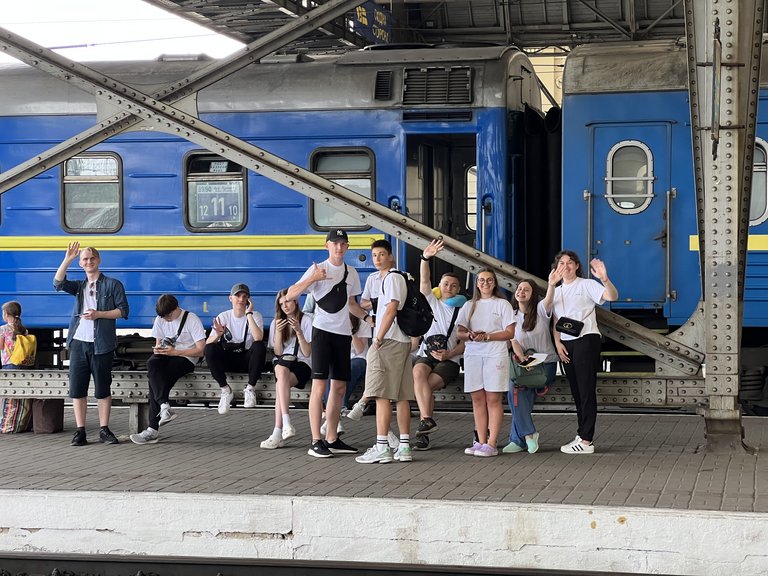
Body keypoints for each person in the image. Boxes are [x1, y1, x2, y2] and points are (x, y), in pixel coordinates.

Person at [286, 229, 373, 458]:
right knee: (319, 387)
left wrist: (367, 318)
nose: (339, 247)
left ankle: (332, 438)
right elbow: (290, 296)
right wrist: (312, 279)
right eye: (335, 243)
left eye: (343, 244)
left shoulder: (351, 272)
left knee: (339, 387)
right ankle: (315, 440)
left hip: (343, 334)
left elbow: (352, 304)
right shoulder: (317, 269)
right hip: (322, 333)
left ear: (347, 247)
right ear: (327, 246)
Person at [54, 242, 129, 446]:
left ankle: (104, 429)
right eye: (85, 259)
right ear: (81, 263)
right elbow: (58, 283)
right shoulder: (79, 286)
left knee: (103, 389)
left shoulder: (113, 285)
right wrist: (68, 259)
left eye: (92, 258)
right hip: (79, 342)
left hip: (102, 343)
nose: (89, 262)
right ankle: (80, 431)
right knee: (77, 390)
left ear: (99, 260)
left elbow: (123, 311)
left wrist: (99, 315)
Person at [355, 239, 415, 464]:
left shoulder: (391, 278)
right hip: (400, 341)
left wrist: (378, 337)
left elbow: (390, 309)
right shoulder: (398, 278)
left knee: (381, 394)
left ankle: (382, 446)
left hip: (388, 341)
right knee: (401, 397)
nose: (378, 259)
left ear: (391, 256)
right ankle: (405, 447)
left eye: (382, 254)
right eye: (374, 255)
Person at [552, 251, 618, 454]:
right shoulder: (556, 291)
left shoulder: (586, 284)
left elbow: (612, 297)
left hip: (586, 339)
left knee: (586, 390)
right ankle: (581, 434)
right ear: (556, 268)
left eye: (570, 263)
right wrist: (558, 343)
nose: (566, 266)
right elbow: (556, 321)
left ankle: (587, 439)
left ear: (577, 266)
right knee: (577, 392)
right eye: (562, 263)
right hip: (567, 343)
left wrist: (604, 279)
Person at [411, 239, 465, 451]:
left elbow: (465, 343)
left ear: (459, 289)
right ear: (439, 287)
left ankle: (424, 430)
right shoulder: (431, 301)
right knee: (418, 373)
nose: (449, 288)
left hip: (449, 359)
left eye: (453, 285)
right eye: (445, 284)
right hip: (427, 355)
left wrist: (450, 353)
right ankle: (426, 422)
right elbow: (424, 280)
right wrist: (425, 258)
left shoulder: (464, 309)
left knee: (426, 386)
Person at [130, 294, 206, 445]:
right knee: (152, 364)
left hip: (186, 358)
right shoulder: (161, 319)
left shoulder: (192, 319)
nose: (166, 319)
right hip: (168, 355)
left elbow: (201, 351)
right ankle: (164, 406)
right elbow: (158, 344)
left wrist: (175, 352)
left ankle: (153, 429)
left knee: (155, 382)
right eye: (163, 317)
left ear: (176, 308)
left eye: (168, 316)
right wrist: (159, 349)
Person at [456, 269, 515, 457]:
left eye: (489, 280)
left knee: (493, 398)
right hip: (474, 354)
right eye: (481, 280)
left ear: (495, 283)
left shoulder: (502, 304)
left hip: (495, 354)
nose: (485, 283)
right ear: (477, 283)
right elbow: (460, 331)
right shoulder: (469, 305)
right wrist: (470, 335)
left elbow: (510, 332)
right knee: (477, 399)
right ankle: (480, 441)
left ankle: (492, 442)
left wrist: (487, 336)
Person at [502, 275, 559, 454]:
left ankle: (518, 439)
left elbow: (549, 298)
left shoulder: (542, 309)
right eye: (519, 289)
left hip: (545, 365)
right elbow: (513, 342)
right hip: (524, 364)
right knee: (515, 388)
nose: (521, 292)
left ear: (533, 294)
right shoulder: (511, 315)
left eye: (526, 290)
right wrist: (523, 361)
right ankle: (527, 435)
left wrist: (551, 284)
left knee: (519, 388)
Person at [260, 289, 313, 449]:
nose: (285, 306)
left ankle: (279, 430)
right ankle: (285, 425)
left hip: (302, 363)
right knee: (281, 371)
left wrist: (298, 331)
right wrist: (278, 332)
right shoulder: (278, 322)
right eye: (281, 304)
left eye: (288, 302)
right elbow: (277, 352)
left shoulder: (307, 320)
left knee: (280, 384)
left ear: (295, 301)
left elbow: (307, 352)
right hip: (283, 363)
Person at [203, 283, 267, 414]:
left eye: (245, 297)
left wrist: (248, 314)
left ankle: (250, 389)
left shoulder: (255, 315)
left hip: (247, 360)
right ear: (230, 298)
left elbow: (258, 338)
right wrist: (218, 335)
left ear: (249, 300)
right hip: (228, 359)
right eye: (237, 296)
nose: (241, 300)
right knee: (210, 348)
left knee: (259, 346)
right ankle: (226, 390)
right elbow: (207, 343)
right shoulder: (223, 316)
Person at [0, 301, 32, 369]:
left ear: (6, 314)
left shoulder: (3, 329)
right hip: (23, 363)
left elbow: (0, 346)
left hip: (9, 363)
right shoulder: (24, 330)